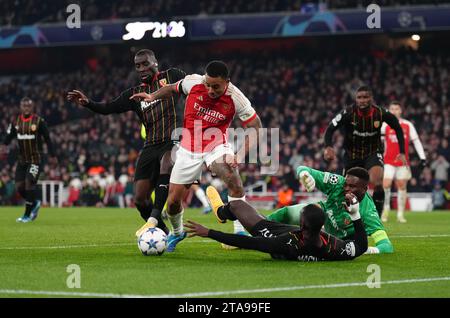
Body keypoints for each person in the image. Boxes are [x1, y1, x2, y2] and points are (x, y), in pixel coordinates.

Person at [131, 60, 263, 252]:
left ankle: (239, 230)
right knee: (173, 202)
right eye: (208, 85)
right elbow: (171, 88)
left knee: (232, 178)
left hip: (216, 144)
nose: (210, 90)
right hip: (188, 148)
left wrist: (240, 154)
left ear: (227, 82)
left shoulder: (236, 97)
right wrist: (152, 96)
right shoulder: (193, 82)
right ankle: (177, 232)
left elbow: (256, 126)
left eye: (216, 86)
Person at [67, 49, 185, 234]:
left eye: (145, 63)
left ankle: (153, 220)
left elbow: (196, 86)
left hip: (174, 141)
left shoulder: (173, 75)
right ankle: (164, 232)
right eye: (137, 66)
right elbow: (108, 108)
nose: (141, 68)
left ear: (155, 62)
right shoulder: (134, 93)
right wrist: (88, 102)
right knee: (139, 199)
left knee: (166, 164)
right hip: (151, 146)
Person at [187, 187, 367, 261]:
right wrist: (356, 214)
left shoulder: (286, 243)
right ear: (321, 227)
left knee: (237, 205)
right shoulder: (335, 248)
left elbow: (248, 242)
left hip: (269, 233)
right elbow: (361, 246)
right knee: (258, 215)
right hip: (285, 234)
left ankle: (221, 213)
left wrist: (208, 232)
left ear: (302, 225)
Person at [267, 165, 394, 254]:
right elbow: (302, 168)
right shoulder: (337, 182)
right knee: (288, 212)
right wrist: (304, 175)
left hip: (338, 242)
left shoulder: (368, 211)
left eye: (352, 186)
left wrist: (369, 250)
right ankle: (260, 228)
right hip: (322, 214)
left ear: (365, 189)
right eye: (346, 184)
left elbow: (386, 246)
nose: (347, 189)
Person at [323, 85, 407, 217]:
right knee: (347, 188)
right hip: (352, 155)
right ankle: (343, 216)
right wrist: (328, 146)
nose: (362, 100)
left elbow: (397, 127)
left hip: (372, 153)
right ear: (356, 99)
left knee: (378, 182)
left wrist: (402, 151)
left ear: (371, 98)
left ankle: (376, 216)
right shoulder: (348, 113)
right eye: (359, 97)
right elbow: (330, 129)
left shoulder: (380, 113)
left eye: (365, 97)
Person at [1, 97, 55, 222]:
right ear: (21, 107)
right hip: (22, 159)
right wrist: (3, 146)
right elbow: (9, 137)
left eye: (28, 106)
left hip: (35, 158)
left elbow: (48, 139)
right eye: (24, 106)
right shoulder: (15, 121)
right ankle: (35, 202)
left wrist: (52, 155)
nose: (26, 108)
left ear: (32, 107)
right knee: (19, 187)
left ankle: (26, 215)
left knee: (29, 182)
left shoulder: (39, 121)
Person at [381, 101, 427, 223]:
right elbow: (377, 140)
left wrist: (422, 157)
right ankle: (386, 209)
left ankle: (400, 214)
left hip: (403, 162)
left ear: (400, 110)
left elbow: (416, 141)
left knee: (401, 185)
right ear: (389, 110)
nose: (394, 111)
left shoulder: (407, 125)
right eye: (392, 109)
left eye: (396, 109)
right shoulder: (384, 125)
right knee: (386, 183)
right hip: (388, 161)